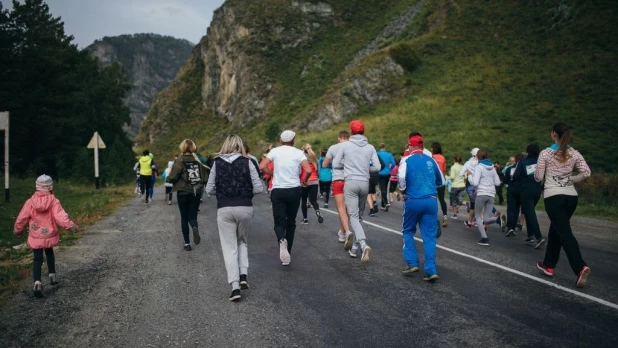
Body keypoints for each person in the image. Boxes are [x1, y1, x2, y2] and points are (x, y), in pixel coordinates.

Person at [205, 135, 263, 301]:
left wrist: (223, 191)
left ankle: (235, 287)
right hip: (245, 207)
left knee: (229, 247)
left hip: (224, 208)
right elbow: (258, 188)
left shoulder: (216, 163)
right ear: (240, 146)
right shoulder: (248, 162)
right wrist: (244, 191)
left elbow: (209, 189)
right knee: (242, 241)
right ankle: (244, 274)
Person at [535, 122, 591, 288]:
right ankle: (548, 265)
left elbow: (538, 177)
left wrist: (547, 177)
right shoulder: (574, 153)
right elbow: (586, 173)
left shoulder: (545, 153)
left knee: (564, 232)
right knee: (557, 229)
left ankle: (580, 267)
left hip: (554, 196)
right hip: (571, 197)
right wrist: (570, 179)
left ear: (553, 134)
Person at [14, 175, 79, 297]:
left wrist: (18, 230)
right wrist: (70, 226)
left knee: (37, 259)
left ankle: (37, 283)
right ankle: (52, 276)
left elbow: (22, 217)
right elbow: (60, 217)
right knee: (49, 253)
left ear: (37, 186)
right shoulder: (54, 201)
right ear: (50, 187)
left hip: (35, 235)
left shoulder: (30, 202)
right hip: (49, 233)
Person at [259, 130, 312, 266]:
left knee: (279, 221)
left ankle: (281, 239)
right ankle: (287, 252)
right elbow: (308, 170)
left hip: (278, 190)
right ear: (294, 140)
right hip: (294, 190)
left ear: (281, 141)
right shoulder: (298, 153)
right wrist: (304, 180)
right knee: (291, 222)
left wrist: (272, 173)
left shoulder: (274, 152)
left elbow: (261, 166)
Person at [332, 120, 381, 263]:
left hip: (351, 181)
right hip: (365, 182)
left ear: (352, 131)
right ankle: (354, 249)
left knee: (352, 215)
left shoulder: (345, 146)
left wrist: (346, 166)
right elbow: (377, 167)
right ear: (363, 131)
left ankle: (363, 243)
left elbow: (335, 164)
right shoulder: (370, 147)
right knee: (359, 215)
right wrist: (366, 169)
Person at [398, 135, 444, 281]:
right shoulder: (431, 160)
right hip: (431, 200)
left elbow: (401, 180)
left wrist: (403, 190)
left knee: (408, 231)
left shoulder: (406, 160)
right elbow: (441, 181)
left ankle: (412, 262)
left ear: (410, 146)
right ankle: (431, 270)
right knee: (429, 236)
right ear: (422, 147)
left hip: (413, 200)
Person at [165, 139, 208, 251]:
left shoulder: (180, 160)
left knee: (184, 218)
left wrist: (168, 179)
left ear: (182, 147)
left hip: (183, 192)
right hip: (196, 192)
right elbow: (204, 178)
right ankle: (194, 226)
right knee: (192, 216)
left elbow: (173, 177)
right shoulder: (198, 159)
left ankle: (187, 244)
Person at [322, 131, 352, 245]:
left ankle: (346, 232)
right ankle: (343, 231)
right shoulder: (353, 147)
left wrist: (333, 164)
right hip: (350, 180)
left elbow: (324, 164)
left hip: (338, 180)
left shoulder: (333, 148)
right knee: (348, 208)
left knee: (340, 208)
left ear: (339, 138)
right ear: (348, 138)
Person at [513, 143, 545, 248]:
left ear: (527, 152)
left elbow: (516, 176)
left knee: (530, 213)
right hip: (537, 190)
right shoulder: (540, 163)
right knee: (528, 211)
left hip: (526, 190)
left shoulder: (522, 162)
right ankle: (530, 236)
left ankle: (539, 237)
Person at [468, 149, 501, 246]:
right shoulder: (492, 167)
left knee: (478, 216)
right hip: (491, 195)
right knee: (486, 219)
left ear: (478, 156)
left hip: (482, 193)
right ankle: (498, 219)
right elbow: (498, 182)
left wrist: (469, 176)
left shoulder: (479, 167)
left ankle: (484, 238)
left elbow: (475, 183)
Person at [300, 144, 324, 224]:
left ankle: (305, 219)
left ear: (303, 150)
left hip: (305, 181)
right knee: (313, 200)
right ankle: (318, 211)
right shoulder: (314, 159)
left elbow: (300, 171)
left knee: (304, 200)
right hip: (314, 181)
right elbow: (318, 171)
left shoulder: (302, 159)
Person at [503, 153, 524, 236]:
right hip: (521, 190)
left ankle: (510, 228)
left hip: (511, 190)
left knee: (510, 209)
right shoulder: (524, 169)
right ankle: (513, 228)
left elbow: (505, 180)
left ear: (515, 160)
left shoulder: (510, 168)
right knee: (517, 209)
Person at [460, 148, 479, 228]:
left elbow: (461, 173)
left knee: (473, 204)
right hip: (480, 184)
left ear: (472, 154)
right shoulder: (481, 163)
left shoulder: (468, 163)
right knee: (480, 203)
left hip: (470, 185)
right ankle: (475, 220)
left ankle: (471, 221)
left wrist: (467, 173)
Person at [431, 142, 448, 227]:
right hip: (441, 182)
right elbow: (444, 170)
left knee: (433, 200)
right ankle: (445, 216)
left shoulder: (431, 157)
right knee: (442, 199)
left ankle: (433, 218)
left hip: (433, 182)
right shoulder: (443, 158)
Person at [377, 143, 396, 211]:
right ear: (385, 147)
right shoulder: (389, 154)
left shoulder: (377, 154)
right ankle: (382, 204)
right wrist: (390, 168)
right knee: (385, 187)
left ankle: (386, 202)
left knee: (382, 189)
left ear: (379, 147)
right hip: (387, 173)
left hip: (380, 173)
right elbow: (393, 163)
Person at [448, 155, 465, 219]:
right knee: (460, 200)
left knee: (454, 201)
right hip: (462, 185)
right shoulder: (463, 167)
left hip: (455, 186)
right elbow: (465, 176)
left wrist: (447, 177)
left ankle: (455, 215)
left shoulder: (453, 167)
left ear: (454, 160)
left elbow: (452, 177)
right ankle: (466, 204)